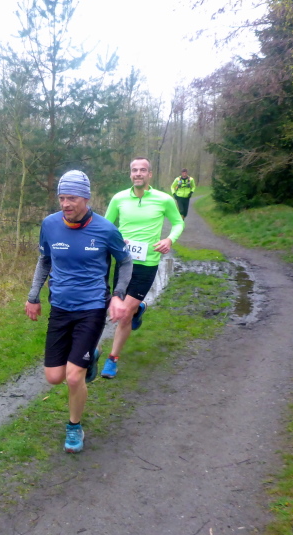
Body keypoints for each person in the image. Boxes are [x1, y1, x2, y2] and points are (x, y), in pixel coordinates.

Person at [25, 170, 133, 453]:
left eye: (72, 198)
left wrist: (118, 295)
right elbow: (45, 260)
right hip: (60, 307)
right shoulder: (50, 224)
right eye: (62, 198)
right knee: (54, 377)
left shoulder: (105, 229)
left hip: (92, 307)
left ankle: (74, 427)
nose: (65, 204)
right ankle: (91, 355)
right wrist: (33, 296)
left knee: (74, 377)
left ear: (86, 198)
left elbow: (125, 261)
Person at [100, 157, 185, 379]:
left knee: (124, 312)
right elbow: (106, 227)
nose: (138, 173)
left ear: (150, 174)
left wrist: (169, 240)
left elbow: (178, 222)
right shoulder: (119, 198)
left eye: (143, 170)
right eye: (134, 170)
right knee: (124, 308)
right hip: (124, 262)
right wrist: (115, 240)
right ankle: (138, 309)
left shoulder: (164, 199)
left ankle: (112, 359)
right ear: (130, 174)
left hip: (148, 263)